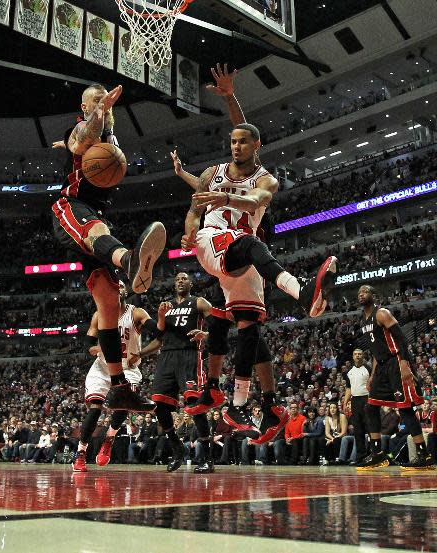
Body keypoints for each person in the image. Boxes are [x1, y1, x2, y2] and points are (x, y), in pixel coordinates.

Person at [181, 112, 338, 445]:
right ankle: (303, 293)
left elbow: (256, 200)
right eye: (232, 141)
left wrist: (227, 198)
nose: (236, 146)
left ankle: (250, 405)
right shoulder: (213, 173)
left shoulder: (267, 179)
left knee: (249, 324)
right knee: (250, 246)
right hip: (213, 238)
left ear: (256, 145)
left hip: (246, 254)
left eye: (242, 141)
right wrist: (189, 231)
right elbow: (195, 209)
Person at [51, 83, 164, 414]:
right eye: (95, 101)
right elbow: (80, 138)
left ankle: (120, 388)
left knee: (109, 304)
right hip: (69, 205)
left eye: (104, 100)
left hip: (95, 212)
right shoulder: (82, 128)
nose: (103, 104)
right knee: (94, 230)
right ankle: (129, 259)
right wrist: (96, 115)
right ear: (84, 107)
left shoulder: (111, 138)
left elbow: (83, 143)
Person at [133, 272, 219, 473]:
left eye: (184, 278)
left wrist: (206, 334)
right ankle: (176, 447)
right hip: (166, 357)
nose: (180, 280)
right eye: (177, 279)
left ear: (191, 283)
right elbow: (159, 339)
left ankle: (207, 458)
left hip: (189, 355)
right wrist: (140, 354)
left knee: (194, 405)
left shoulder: (199, 302)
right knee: (159, 406)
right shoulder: (166, 306)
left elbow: (219, 325)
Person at [72, 282, 156, 472]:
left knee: (124, 401)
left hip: (128, 368)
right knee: (94, 409)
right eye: (113, 286)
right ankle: (81, 452)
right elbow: (88, 343)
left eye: (120, 286)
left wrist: (143, 351)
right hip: (103, 368)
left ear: (126, 291)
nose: (117, 288)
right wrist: (94, 348)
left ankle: (110, 438)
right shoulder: (99, 315)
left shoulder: (136, 313)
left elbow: (157, 330)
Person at [355, 285, 435, 470]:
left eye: (365, 292)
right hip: (381, 367)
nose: (361, 295)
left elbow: (402, 339)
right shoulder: (363, 320)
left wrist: (405, 364)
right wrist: (372, 375)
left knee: (405, 409)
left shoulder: (381, 313)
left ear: (373, 296)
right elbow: (375, 351)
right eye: (359, 293)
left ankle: (424, 455)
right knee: (370, 406)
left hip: (396, 362)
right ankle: (377, 454)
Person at [341, 348, 371, 465]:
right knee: (358, 430)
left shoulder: (368, 368)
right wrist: (345, 402)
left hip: (367, 399)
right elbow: (349, 388)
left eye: (360, 354)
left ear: (363, 356)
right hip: (355, 401)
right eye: (356, 354)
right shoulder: (349, 371)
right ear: (353, 357)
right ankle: (360, 457)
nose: (358, 356)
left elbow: (372, 385)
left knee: (370, 427)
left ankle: (374, 455)